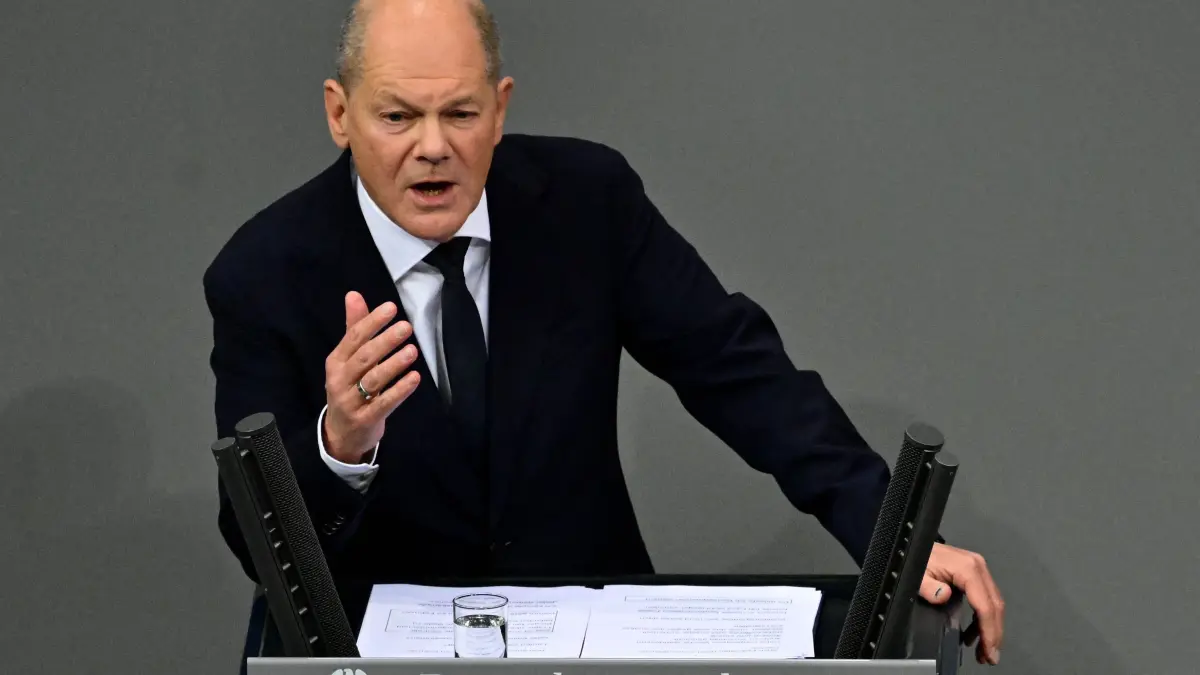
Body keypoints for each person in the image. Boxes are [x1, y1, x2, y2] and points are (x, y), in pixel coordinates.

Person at [203, 0, 1004, 666]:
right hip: (380, 655)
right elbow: (254, 540)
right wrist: (339, 445)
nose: (433, 147)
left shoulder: (587, 202)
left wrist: (889, 535)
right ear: (340, 115)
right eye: (398, 117)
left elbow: (736, 369)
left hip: (593, 646)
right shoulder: (265, 272)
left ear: (502, 107)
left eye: (461, 113)